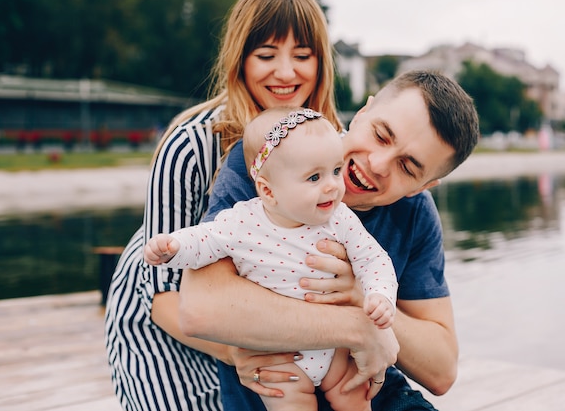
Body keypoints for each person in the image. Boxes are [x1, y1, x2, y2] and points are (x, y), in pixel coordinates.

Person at [177, 69, 480, 411]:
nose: (378, 164)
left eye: (408, 168)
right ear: (362, 113)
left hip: (369, 396)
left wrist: (362, 295)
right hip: (278, 396)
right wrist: (358, 328)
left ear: (423, 187)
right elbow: (199, 308)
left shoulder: (415, 213)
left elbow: (441, 369)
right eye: (381, 135)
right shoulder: (276, 156)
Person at [104, 0, 341, 410]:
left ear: (321, 63)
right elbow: (161, 298)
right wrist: (243, 354)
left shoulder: (326, 141)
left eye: (302, 55)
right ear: (240, 59)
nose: (286, 72)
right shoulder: (191, 145)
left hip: (250, 321)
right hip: (164, 330)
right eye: (266, 54)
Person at [144, 107, 398, 411]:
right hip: (278, 351)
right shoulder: (243, 221)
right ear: (268, 190)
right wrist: (174, 246)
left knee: (354, 395)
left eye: (335, 170)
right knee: (288, 400)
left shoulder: (340, 219)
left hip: (336, 348)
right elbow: (205, 240)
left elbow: (374, 260)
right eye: (314, 177)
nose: (332, 185)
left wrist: (379, 294)